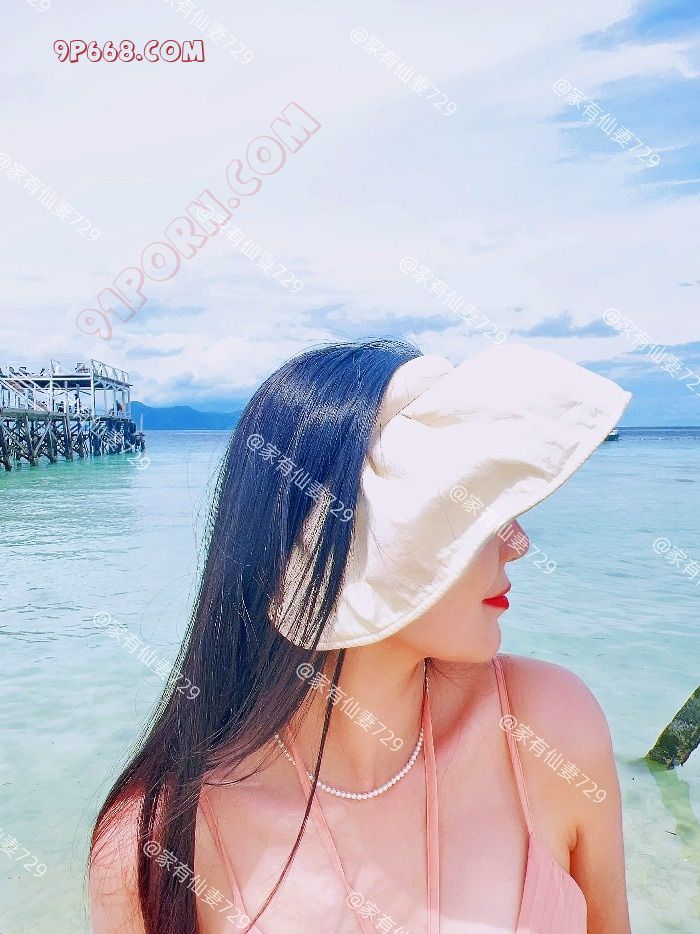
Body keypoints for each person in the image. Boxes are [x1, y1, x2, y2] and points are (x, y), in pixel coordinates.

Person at [90, 339, 633, 934]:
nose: (519, 543)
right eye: (474, 512)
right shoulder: (158, 847)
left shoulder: (549, 726)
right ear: (356, 541)